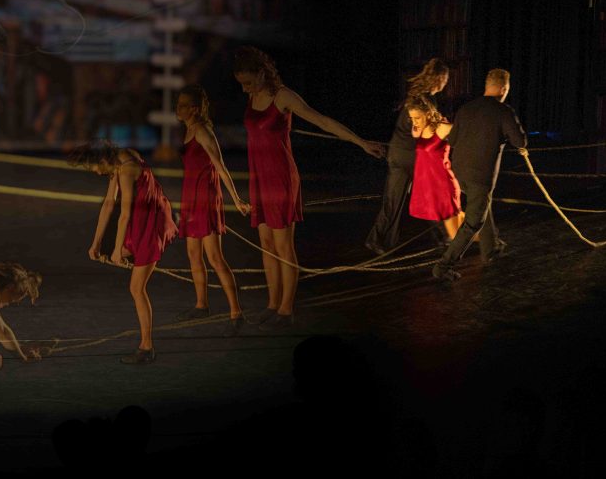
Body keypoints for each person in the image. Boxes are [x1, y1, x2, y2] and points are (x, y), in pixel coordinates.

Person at [234, 47, 385, 326]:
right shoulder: (253, 96)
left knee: (283, 246)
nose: (245, 89)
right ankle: (272, 304)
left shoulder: (283, 96)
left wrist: (361, 143)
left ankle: (285, 310)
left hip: (280, 178)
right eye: (241, 84)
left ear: (262, 73)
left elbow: (322, 121)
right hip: (259, 179)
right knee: (266, 244)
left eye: (248, 82)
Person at [70, 141, 177, 364]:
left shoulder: (126, 169)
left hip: (151, 223)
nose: (96, 172)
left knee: (136, 288)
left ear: (103, 160)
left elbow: (125, 213)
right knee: (115, 251)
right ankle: (124, 250)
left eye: (94, 168)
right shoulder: (117, 159)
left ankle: (147, 348)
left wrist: (118, 251)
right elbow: (109, 203)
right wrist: (95, 244)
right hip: (142, 219)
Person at [433, 69, 527, 281]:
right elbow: (520, 141)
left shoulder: (466, 108)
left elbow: (452, 140)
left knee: (482, 203)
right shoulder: (503, 111)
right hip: (480, 176)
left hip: (459, 171)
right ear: (503, 89)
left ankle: (490, 247)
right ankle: (443, 266)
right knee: (473, 221)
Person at [174, 85, 250, 336]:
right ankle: (201, 304)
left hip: (205, 199)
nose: (178, 108)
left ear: (195, 109)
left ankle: (236, 313)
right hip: (190, 198)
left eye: (183, 105)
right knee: (193, 254)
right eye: (178, 104)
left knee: (215, 258)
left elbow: (220, 166)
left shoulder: (203, 131)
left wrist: (237, 199)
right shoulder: (188, 130)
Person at [365, 58, 449, 255]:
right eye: (446, 79)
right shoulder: (424, 100)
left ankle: (378, 240)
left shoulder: (417, 96)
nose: (446, 83)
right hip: (410, 156)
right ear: (439, 79)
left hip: (399, 154)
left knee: (394, 200)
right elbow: (420, 130)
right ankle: (444, 237)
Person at [405, 95, 464, 242]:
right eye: (411, 118)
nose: (414, 122)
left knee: (456, 236)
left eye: (417, 118)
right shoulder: (419, 129)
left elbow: (466, 133)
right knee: (456, 233)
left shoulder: (442, 128)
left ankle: (488, 240)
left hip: (442, 186)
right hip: (428, 187)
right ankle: (488, 239)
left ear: (428, 113)